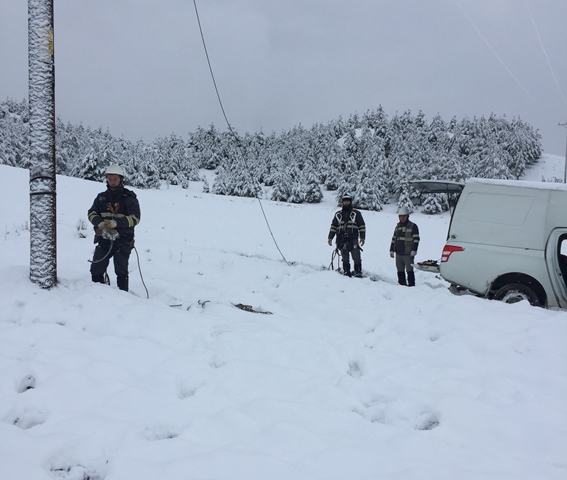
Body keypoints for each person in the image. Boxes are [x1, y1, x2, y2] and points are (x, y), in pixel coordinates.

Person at [88, 164, 141, 291]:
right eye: (110, 179)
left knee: (121, 272)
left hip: (123, 241)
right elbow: (91, 213)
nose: (112, 182)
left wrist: (117, 223)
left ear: (121, 179)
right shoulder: (101, 197)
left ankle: (123, 298)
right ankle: (98, 294)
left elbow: (135, 218)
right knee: (96, 269)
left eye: (115, 179)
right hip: (104, 239)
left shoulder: (129, 198)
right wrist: (98, 222)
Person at [327, 193, 366, 277]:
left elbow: (362, 226)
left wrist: (362, 238)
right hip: (341, 239)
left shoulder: (357, 213)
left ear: (350, 202)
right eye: (345, 201)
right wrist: (330, 238)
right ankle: (346, 271)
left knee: (356, 256)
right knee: (345, 256)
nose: (346, 203)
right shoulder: (338, 214)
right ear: (342, 202)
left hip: (353, 238)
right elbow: (333, 226)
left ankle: (358, 271)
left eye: (348, 201)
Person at [390, 206, 420, 286]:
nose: (402, 218)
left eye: (404, 216)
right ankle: (402, 284)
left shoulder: (413, 226)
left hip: (408, 253)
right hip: (399, 253)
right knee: (400, 270)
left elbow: (416, 239)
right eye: (400, 216)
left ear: (407, 216)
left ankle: (411, 285)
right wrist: (392, 250)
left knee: (409, 270)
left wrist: (414, 250)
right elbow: (394, 239)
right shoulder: (398, 227)